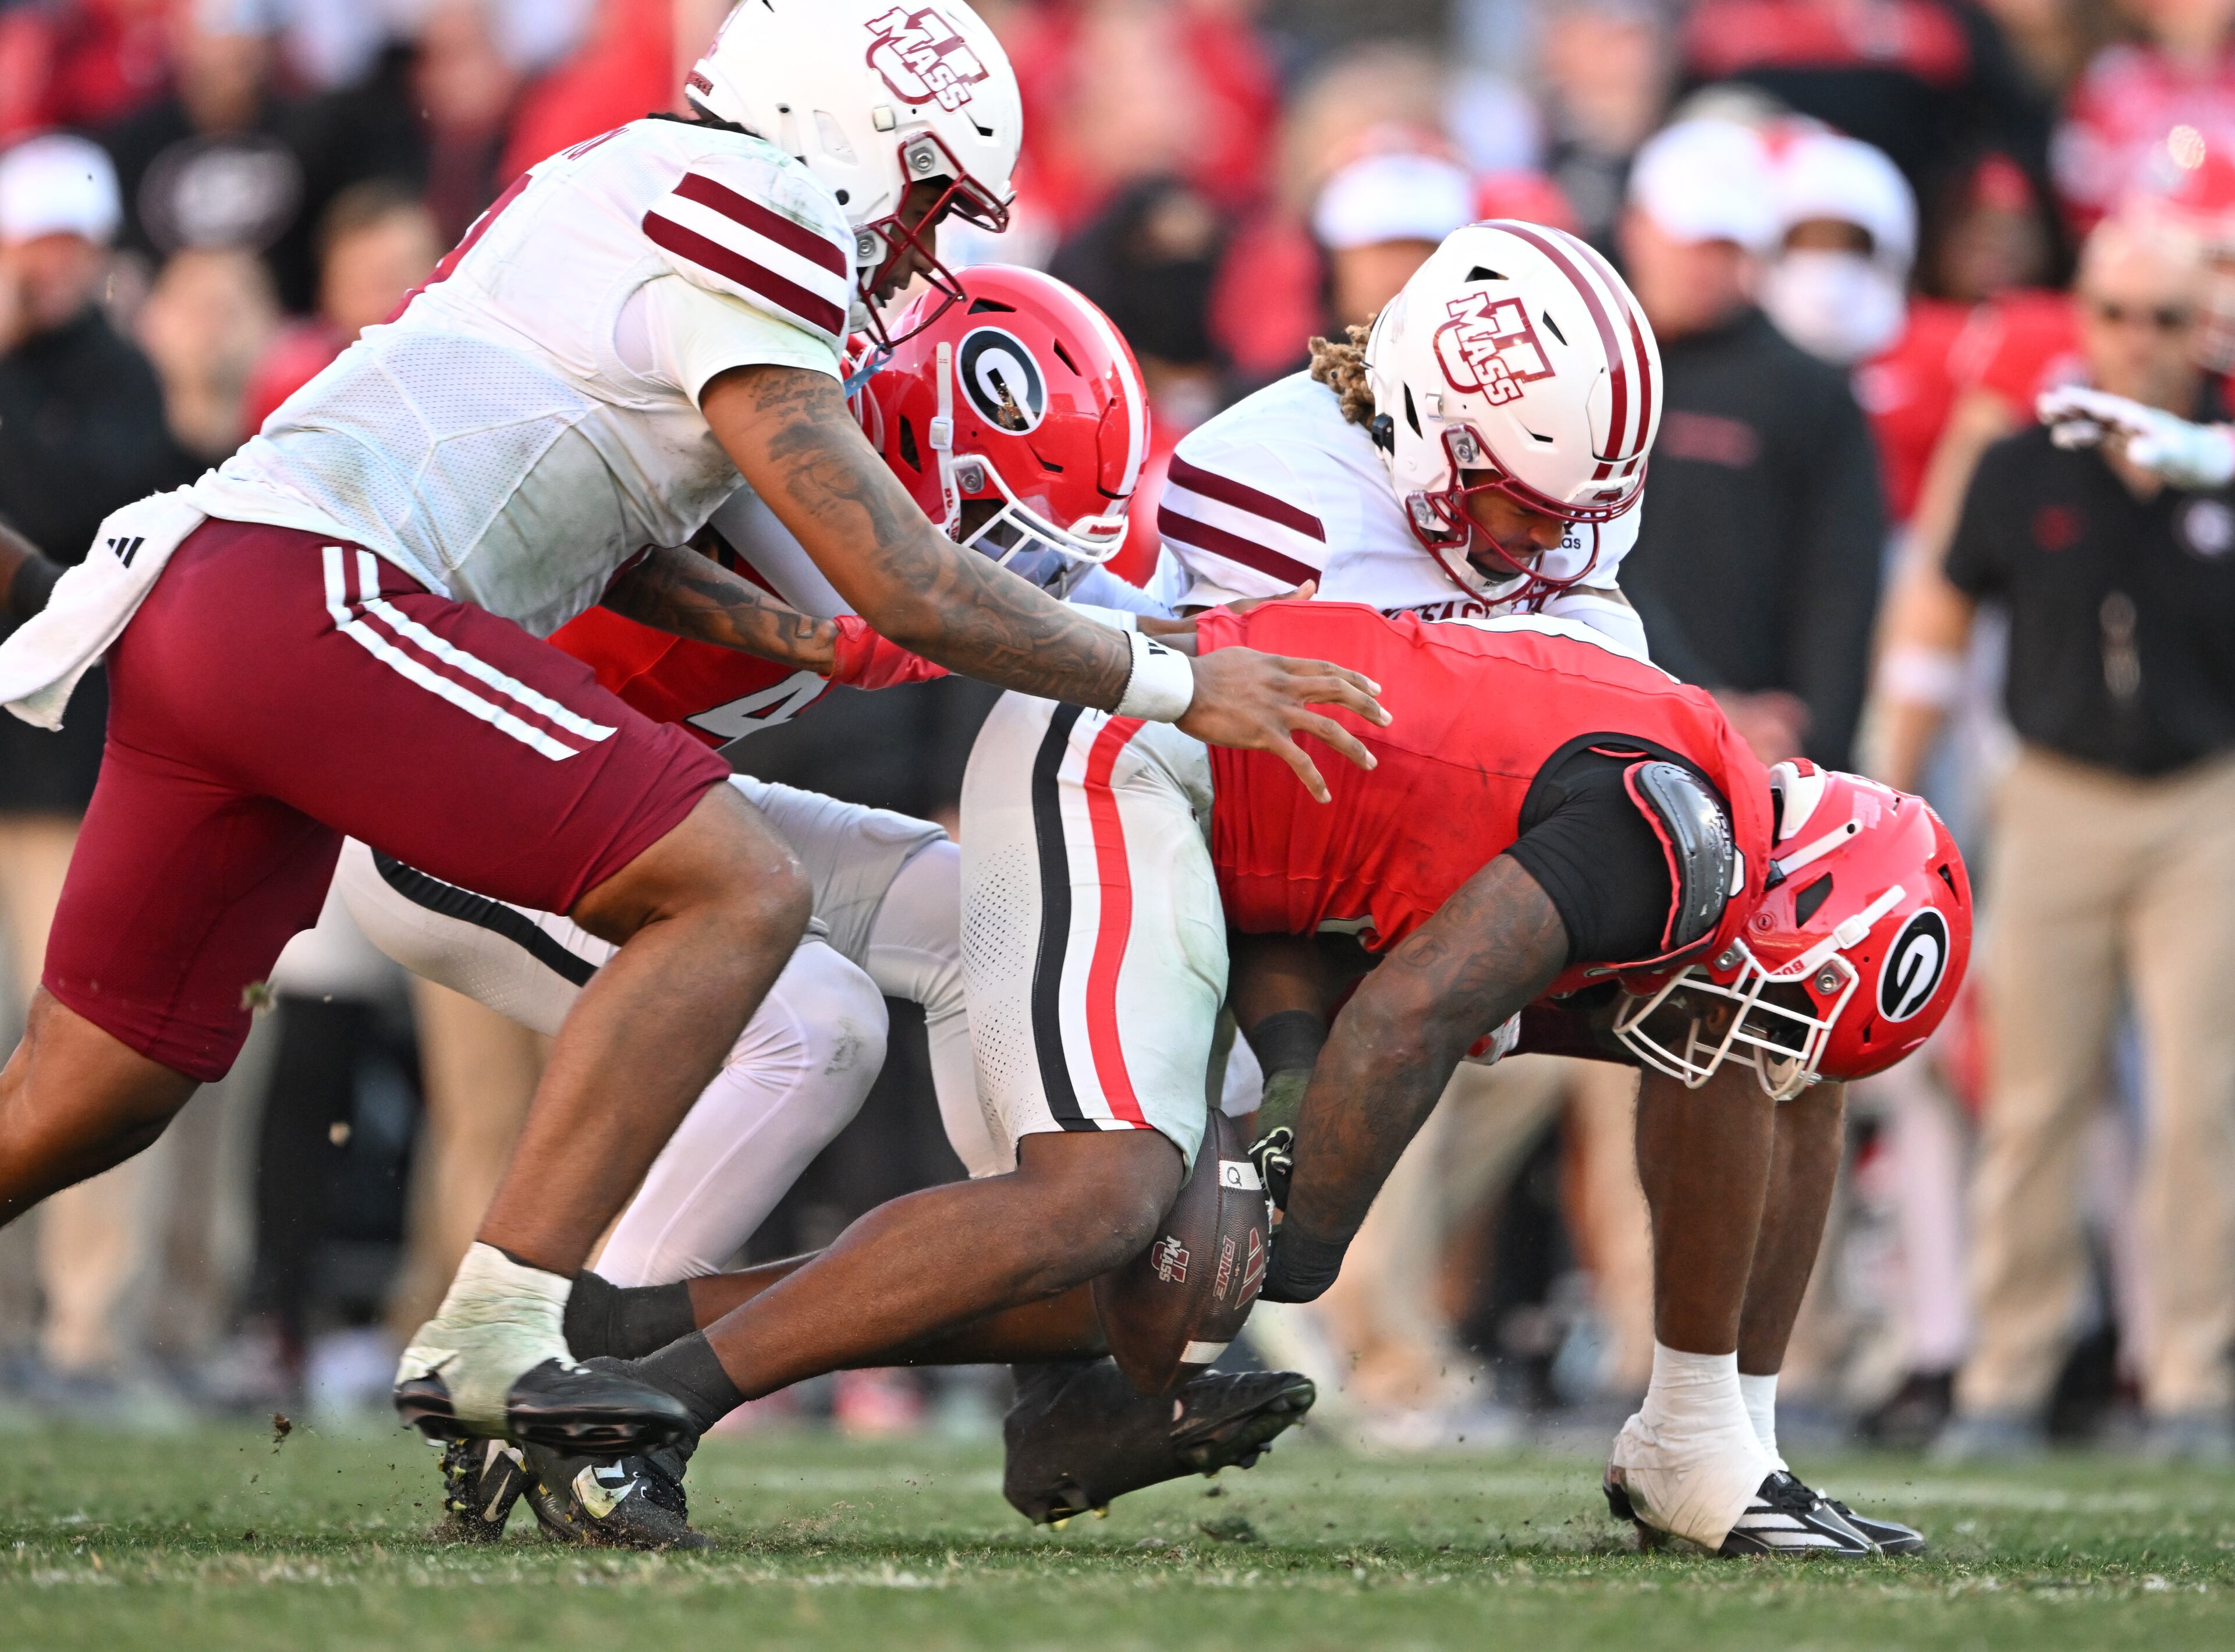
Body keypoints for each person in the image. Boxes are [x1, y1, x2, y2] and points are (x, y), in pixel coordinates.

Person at [0, 0, 1382, 1459]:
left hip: (247, 608)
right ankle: (511, 1340)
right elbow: (907, 581)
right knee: (741, 895)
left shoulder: (643, 191)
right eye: (921, 200)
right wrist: (1168, 683)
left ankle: (1047, 1363)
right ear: (841, 137)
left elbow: (607, 522)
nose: (918, 253)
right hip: (324, 601)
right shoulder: (753, 200)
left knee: (91, 1091)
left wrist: (811, 635)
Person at [538, 598, 1968, 1555]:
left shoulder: (1686, 818)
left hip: (1211, 813)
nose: (1731, 1039)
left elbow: (1341, 904)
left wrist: (1281, 1117)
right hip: (1125, 753)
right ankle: (641, 1402)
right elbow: (1413, 1008)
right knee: (1109, 1200)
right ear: (1782, 902)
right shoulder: (1677, 836)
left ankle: (612, 1332)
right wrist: (1302, 1238)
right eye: (1766, 1003)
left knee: (1177, 1238)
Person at [1897, 218, 2235, 1463]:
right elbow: (1938, 612)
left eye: (2163, 317)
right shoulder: (2022, 463)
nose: (2135, 343)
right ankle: (2004, 1378)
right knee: (2034, 1099)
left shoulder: (2222, 457)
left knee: (2202, 1101)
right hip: (2053, 791)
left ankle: (2193, 1376)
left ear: (2203, 325)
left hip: (2208, 796)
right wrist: (1891, 779)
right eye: (2113, 314)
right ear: (2080, 319)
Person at [0, 131, 193, 1403]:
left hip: (58, 767)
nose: (47, 267)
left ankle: (88, 1328)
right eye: (33, 242)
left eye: (67, 245)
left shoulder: (126, 381)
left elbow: (94, 511)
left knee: (75, 1043)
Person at [1613, 118, 1889, 771]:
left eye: (1728, 245)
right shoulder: (1579, 368)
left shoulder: (1809, 388)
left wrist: (1815, 749)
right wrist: (1697, 697)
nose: (1708, 265)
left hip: (1751, 746)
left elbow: (1841, 591)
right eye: (1692, 239)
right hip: (1592, 711)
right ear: (1636, 228)